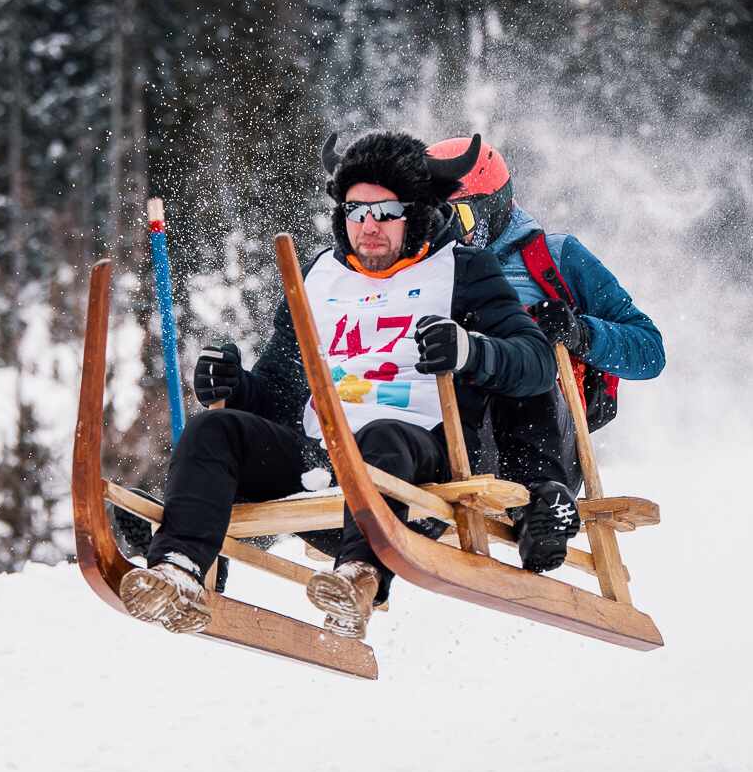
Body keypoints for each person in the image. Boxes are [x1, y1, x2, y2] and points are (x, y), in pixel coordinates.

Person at [118, 132, 555, 640]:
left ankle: (359, 578)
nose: (368, 227)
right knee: (214, 429)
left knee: (378, 438)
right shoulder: (320, 277)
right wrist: (236, 387)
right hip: (320, 463)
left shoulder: (465, 270)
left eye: (386, 212)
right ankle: (177, 570)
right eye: (355, 212)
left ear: (417, 213)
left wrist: (472, 350)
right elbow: (280, 392)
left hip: (420, 471)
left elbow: (536, 363)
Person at [426, 135, 666, 573]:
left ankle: (544, 508)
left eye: (459, 215)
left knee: (513, 359)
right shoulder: (428, 268)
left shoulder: (555, 258)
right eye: (433, 215)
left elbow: (650, 351)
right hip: (451, 430)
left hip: (544, 441)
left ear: (494, 205)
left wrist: (581, 334)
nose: (450, 230)